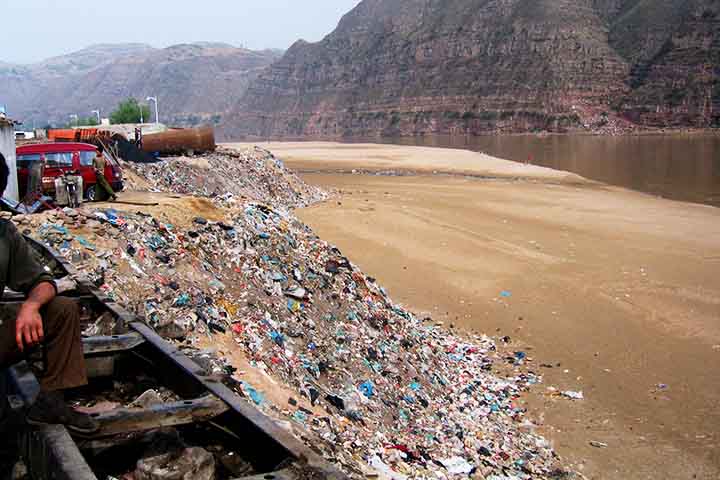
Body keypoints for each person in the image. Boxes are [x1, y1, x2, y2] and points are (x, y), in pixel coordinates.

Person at [0, 152, 98, 477]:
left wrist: (30, 305)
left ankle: (51, 402)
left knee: (62, 309)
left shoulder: (5, 234)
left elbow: (42, 281)